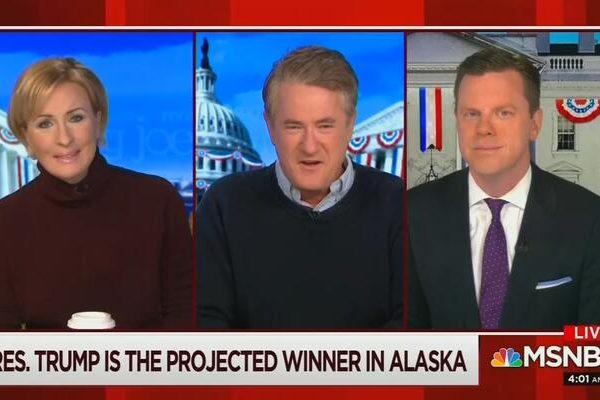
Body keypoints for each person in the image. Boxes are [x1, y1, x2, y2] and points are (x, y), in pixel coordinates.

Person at [196, 46, 404, 329]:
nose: (309, 146)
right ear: (270, 126)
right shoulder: (224, 204)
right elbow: (208, 324)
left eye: (325, 126)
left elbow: (410, 324)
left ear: (350, 125)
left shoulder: (396, 201)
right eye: (293, 126)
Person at [409, 48, 600, 330]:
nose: (484, 129)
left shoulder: (589, 218)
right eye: (471, 113)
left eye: (503, 113)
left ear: (534, 124)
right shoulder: (413, 213)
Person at [0, 58, 193, 329]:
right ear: (26, 137)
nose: (64, 138)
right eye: (45, 124)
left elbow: (184, 311)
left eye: (76, 118)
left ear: (98, 122)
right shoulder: (7, 220)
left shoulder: (157, 200)